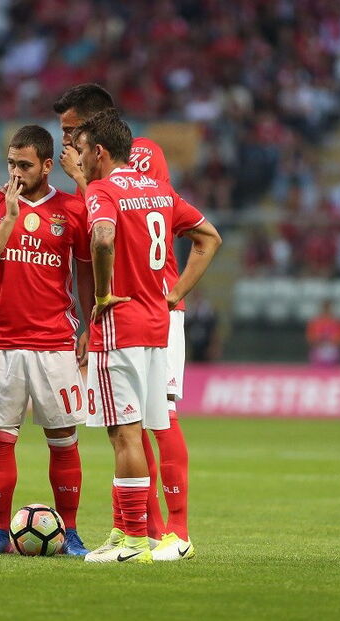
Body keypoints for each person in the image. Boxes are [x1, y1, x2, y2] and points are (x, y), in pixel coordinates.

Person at [54, 83, 208, 560]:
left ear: (93, 129)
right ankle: (150, 533)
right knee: (134, 425)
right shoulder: (109, 163)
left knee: (156, 419)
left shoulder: (142, 154)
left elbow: (115, 219)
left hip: (148, 305)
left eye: (70, 131)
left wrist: (81, 180)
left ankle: (173, 532)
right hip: (136, 308)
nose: (66, 143)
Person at [0, 125, 94, 556]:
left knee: (63, 438)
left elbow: (87, 274)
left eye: (24, 165)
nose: (16, 173)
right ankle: (0, 533)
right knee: (0, 438)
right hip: (2, 343)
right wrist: (9, 217)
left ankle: (70, 532)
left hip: (54, 342)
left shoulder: (72, 210)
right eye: (10, 164)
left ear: (46, 165)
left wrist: (90, 328)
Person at [307, 301, 340, 366]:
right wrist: (320, 340)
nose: (327, 310)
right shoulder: (315, 322)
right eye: (325, 308)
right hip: (318, 350)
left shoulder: (338, 323)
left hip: (334, 351)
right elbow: (310, 339)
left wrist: (330, 340)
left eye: (328, 308)